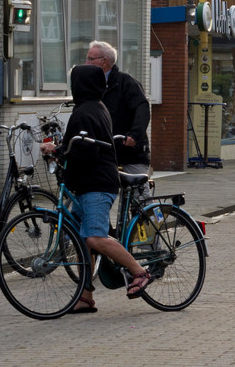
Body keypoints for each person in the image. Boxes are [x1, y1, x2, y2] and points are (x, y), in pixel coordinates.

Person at [42, 65, 153, 311]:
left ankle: (139, 272)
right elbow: (83, 142)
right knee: (85, 240)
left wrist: (56, 151)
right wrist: (62, 150)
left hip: (97, 184)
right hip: (87, 182)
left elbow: (84, 146)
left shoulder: (85, 112)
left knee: (95, 236)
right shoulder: (93, 107)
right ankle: (85, 297)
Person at [87, 41, 150, 173]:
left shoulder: (126, 83)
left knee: (136, 187)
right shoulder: (91, 86)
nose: (86, 63)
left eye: (90, 59)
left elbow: (142, 108)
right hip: (103, 154)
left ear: (104, 62)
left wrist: (134, 135)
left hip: (128, 152)